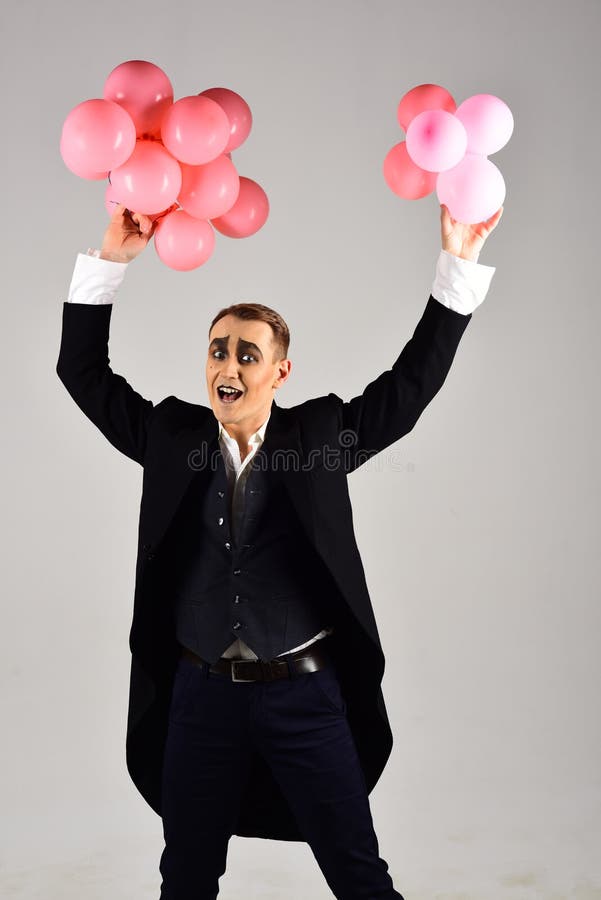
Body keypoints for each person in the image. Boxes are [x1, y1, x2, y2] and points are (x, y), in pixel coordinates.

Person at [56, 199, 503, 899]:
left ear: (279, 373)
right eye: (216, 349)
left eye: (246, 353)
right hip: (198, 697)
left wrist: (458, 262)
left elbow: (407, 390)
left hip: (304, 695)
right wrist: (110, 260)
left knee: (358, 875)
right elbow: (82, 373)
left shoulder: (318, 441)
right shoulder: (172, 438)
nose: (226, 364)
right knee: (186, 879)